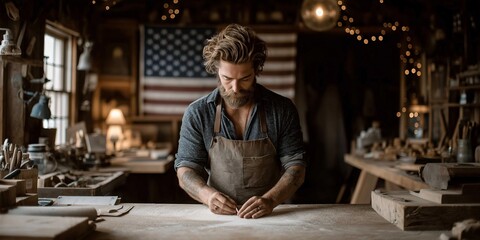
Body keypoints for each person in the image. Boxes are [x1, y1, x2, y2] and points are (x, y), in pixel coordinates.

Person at [174, 23, 306, 219]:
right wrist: (207, 195)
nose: (235, 88)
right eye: (227, 78)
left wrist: (270, 200)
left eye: (245, 78)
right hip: (218, 217)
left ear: (256, 70)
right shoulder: (198, 113)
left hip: (273, 214)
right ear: (216, 70)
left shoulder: (282, 110)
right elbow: (186, 168)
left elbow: (296, 166)